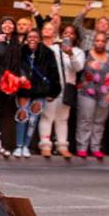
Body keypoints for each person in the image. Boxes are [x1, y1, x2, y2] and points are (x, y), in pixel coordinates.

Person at [38, 23, 84, 159]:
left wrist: (70, 54)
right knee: (47, 117)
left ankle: (62, 146)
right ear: (61, 35)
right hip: (52, 88)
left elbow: (78, 68)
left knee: (63, 119)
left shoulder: (78, 52)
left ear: (75, 36)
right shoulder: (52, 49)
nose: (68, 35)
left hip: (67, 89)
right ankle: (45, 146)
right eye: (66, 33)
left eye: (71, 33)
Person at [13, 29, 60, 158]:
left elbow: (54, 72)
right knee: (22, 116)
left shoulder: (47, 53)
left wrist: (55, 91)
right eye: (30, 37)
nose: (32, 39)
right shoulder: (20, 51)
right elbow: (14, 67)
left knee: (33, 120)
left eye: (35, 36)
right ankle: (19, 146)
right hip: (23, 89)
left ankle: (26, 146)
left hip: (40, 90)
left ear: (39, 39)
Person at [75, 32, 109, 159]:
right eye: (97, 41)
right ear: (94, 41)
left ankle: (95, 147)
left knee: (99, 122)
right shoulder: (86, 54)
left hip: (104, 93)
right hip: (86, 92)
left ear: (106, 43)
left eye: (102, 41)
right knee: (85, 120)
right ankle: (82, 147)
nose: (100, 43)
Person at [0, 16, 21, 158]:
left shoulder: (15, 42)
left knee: (1, 114)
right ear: (0, 25)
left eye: (11, 23)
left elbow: (16, 64)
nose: (8, 25)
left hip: (9, 82)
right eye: (5, 23)